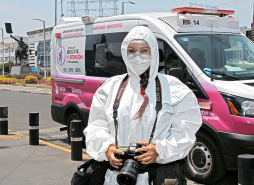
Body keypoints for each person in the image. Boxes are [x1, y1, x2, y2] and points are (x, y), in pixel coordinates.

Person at [84, 26, 202, 185]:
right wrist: (107, 147)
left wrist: (159, 150)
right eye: (132, 50)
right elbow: (96, 126)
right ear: (125, 54)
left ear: (153, 53)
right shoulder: (109, 88)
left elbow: (186, 131)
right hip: (114, 177)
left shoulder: (175, 90)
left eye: (144, 50)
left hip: (156, 177)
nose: (137, 56)